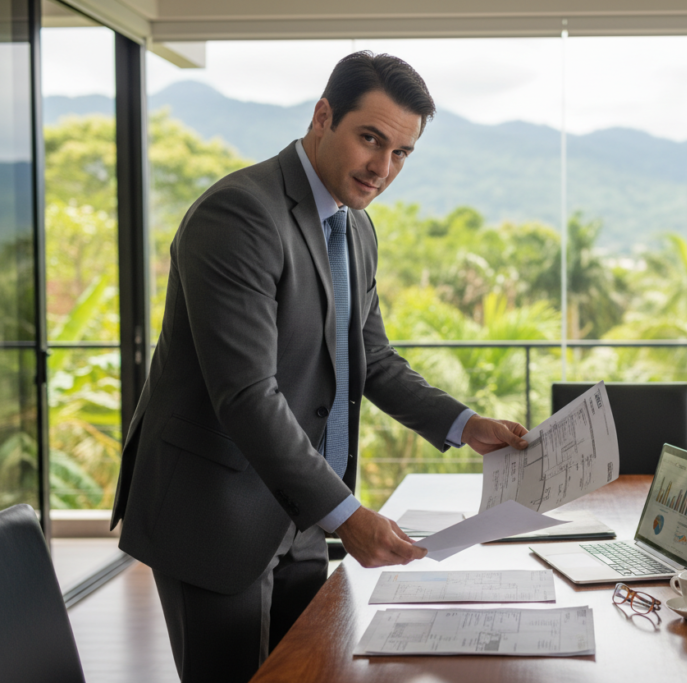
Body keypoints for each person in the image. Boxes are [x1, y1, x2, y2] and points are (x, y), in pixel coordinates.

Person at [109, 51, 529, 683]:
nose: (382, 168)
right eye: (371, 140)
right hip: (213, 511)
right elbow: (247, 393)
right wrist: (347, 514)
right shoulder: (240, 214)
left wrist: (466, 424)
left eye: (401, 154)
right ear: (323, 116)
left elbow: (373, 359)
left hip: (298, 510)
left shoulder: (356, 228)